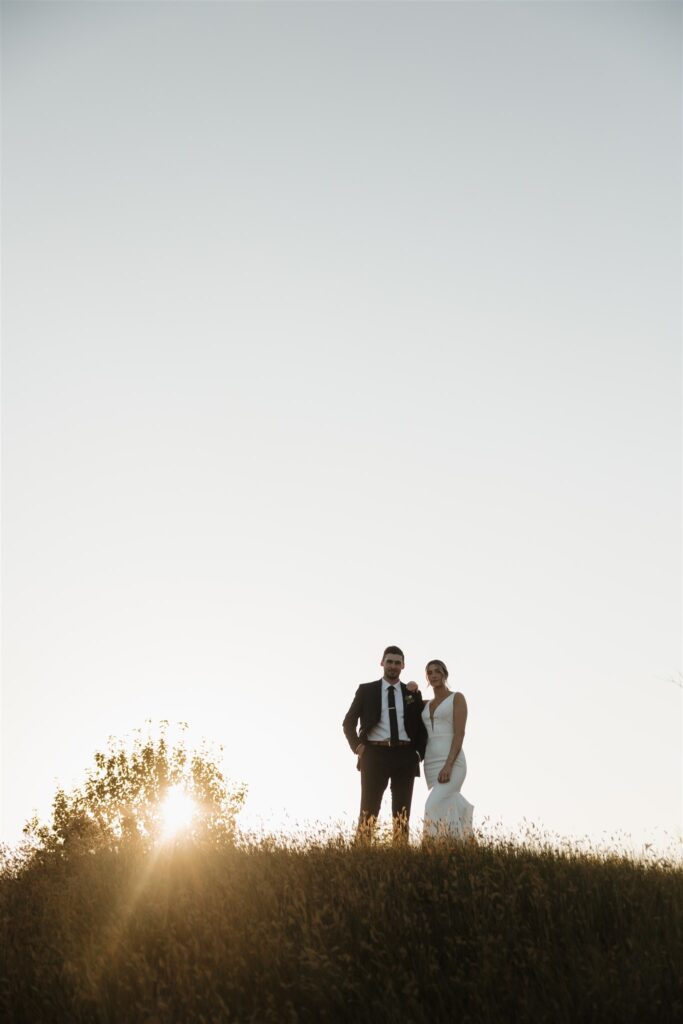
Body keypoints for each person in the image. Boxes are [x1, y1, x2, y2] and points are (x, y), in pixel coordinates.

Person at [342, 645, 428, 842]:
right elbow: (348, 723)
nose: (393, 666)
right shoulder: (367, 690)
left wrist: (418, 754)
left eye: (397, 663)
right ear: (382, 663)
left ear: (403, 666)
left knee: (402, 813)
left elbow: (422, 728)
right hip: (374, 754)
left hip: (405, 756)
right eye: (389, 661)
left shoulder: (412, 693)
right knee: (368, 811)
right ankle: (361, 855)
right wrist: (358, 747)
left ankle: (400, 858)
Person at [418, 659, 473, 839]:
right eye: (430, 672)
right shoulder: (425, 704)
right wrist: (410, 688)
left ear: (445, 674)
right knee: (450, 804)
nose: (434, 675)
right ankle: (463, 844)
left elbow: (459, 734)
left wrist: (449, 765)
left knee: (432, 805)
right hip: (431, 762)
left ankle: (430, 847)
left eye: (437, 672)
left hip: (452, 762)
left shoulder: (457, 698)